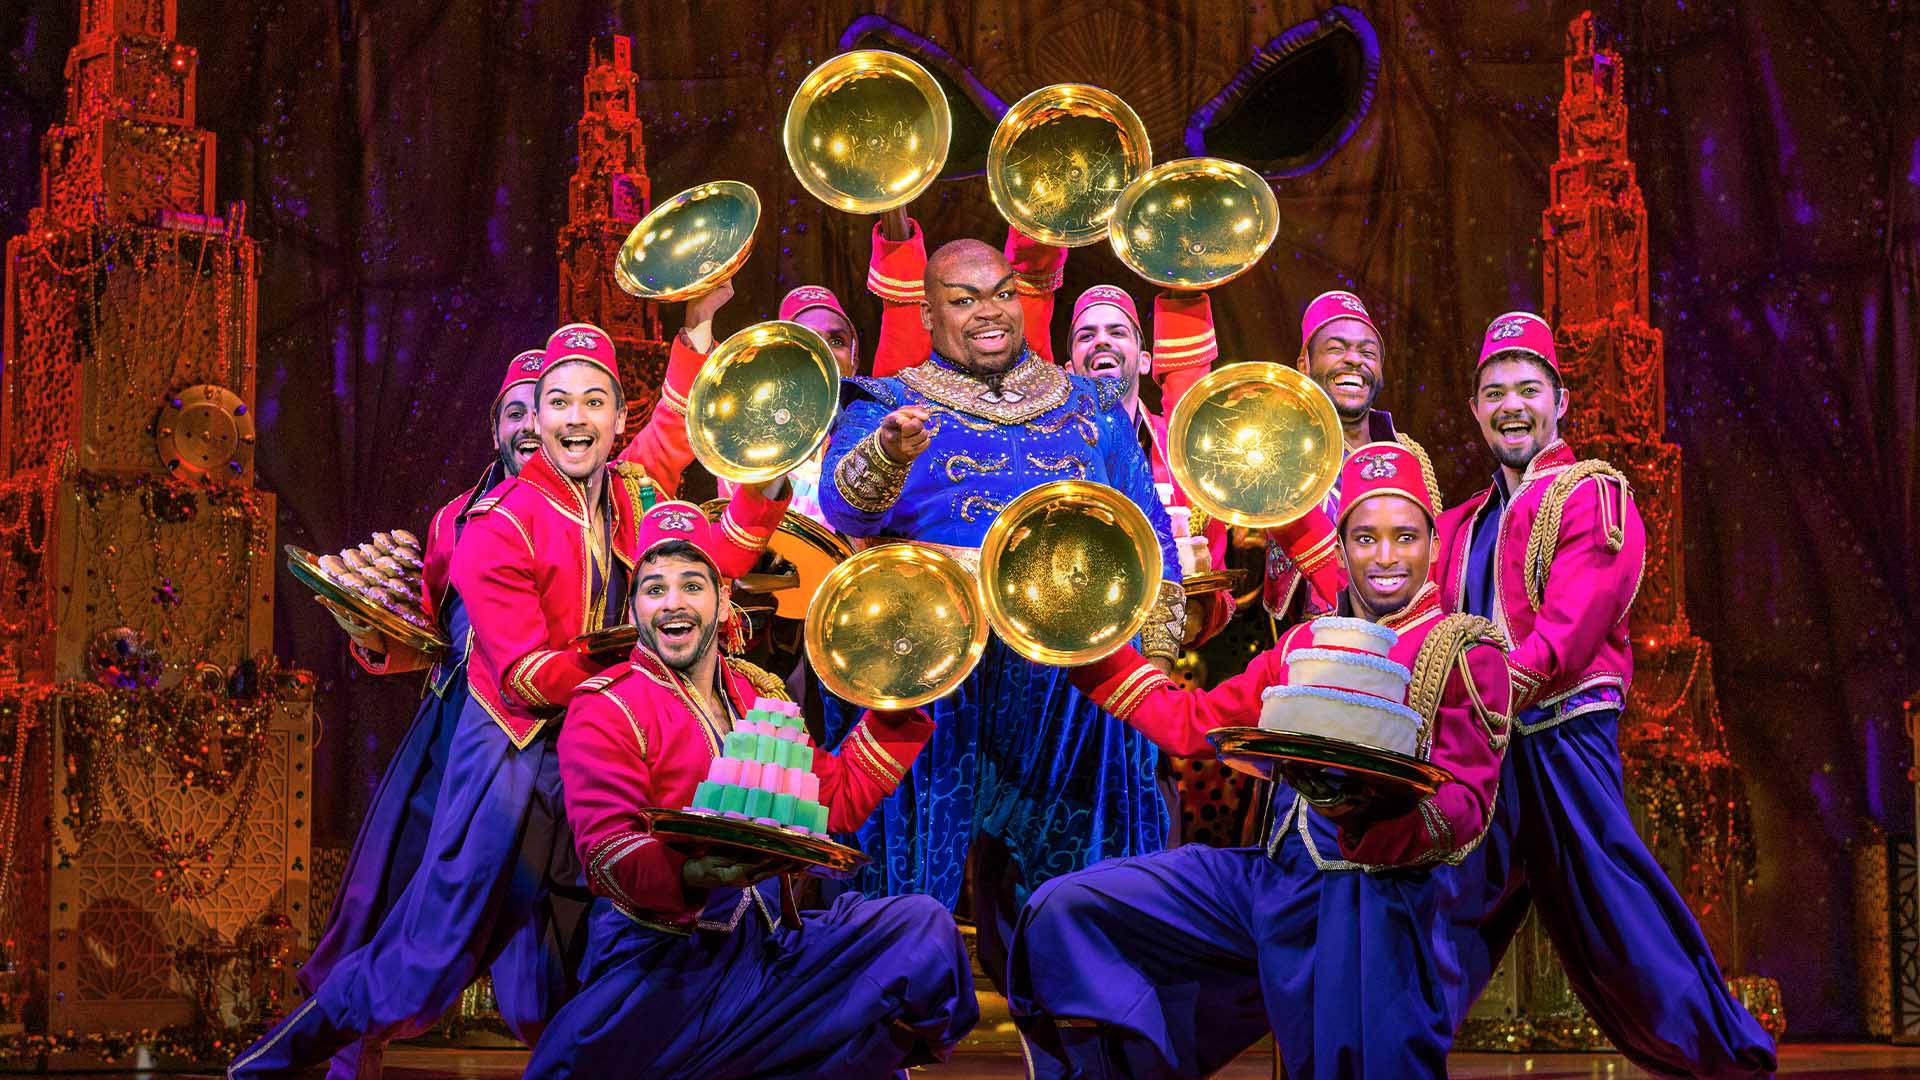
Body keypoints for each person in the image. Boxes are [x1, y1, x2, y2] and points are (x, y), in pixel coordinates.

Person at [231, 312, 783, 1079]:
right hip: (503, 747)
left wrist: (765, 485)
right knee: (433, 944)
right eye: (551, 404)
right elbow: (521, 672)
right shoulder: (491, 521)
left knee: (565, 949)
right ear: (513, 420)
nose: (566, 419)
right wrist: (638, 656)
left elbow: (705, 550)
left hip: (589, 749)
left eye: (593, 402)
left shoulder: (624, 503)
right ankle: (286, 1056)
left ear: (617, 417)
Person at [1008, 441, 1511, 1078]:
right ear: (1343, 548)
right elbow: (1193, 725)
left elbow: (1466, 807)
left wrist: (1368, 824)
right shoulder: (1302, 643)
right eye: (1365, 538)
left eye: (1405, 537)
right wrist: (1080, 649)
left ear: (1434, 546)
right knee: (1072, 908)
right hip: (1273, 883)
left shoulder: (1462, 651)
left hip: (1377, 904)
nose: (1386, 557)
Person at [816, 237, 1185, 990]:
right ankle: (887, 1032)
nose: (989, 312)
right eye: (964, 298)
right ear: (928, 312)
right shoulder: (888, 403)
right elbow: (840, 502)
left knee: (1084, 895)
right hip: (936, 674)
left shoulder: (1088, 405)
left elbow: (1149, 533)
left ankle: (1087, 1044)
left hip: (1070, 680)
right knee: (902, 891)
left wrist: (1156, 660)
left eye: (1003, 293)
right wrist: (889, 451)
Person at [520, 501, 977, 1079]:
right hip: (667, 959)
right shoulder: (607, 704)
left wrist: (902, 693)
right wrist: (692, 875)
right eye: (654, 588)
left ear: (721, 602)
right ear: (635, 608)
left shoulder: (754, 693)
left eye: (693, 584)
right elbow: (606, 851)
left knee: (921, 926)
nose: (674, 603)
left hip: (772, 947)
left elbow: (833, 803)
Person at [1435, 312, 1776, 1077]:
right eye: (1494, 392)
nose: (1511, 405)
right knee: (1445, 904)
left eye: (1528, 388)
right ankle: (1390, 1050)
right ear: (1475, 409)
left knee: (1613, 910)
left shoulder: (1594, 495)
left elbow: (1579, 614)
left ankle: (1724, 1057)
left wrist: (1504, 685)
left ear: (1560, 402)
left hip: (1560, 732)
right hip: (1483, 747)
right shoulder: (1460, 523)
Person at [300, 347, 543, 1016]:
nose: (528, 426)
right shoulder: (452, 520)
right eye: (513, 412)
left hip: (546, 736)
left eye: (540, 409)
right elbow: (436, 638)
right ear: (495, 426)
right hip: (453, 725)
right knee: (385, 894)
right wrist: (371, 634)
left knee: (535, 922)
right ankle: (346, 1043)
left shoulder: (598, 512)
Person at [1061, 283, 1231, 645]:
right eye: (1086, 335)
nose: (1101, 341)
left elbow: (1213, 571)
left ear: (1144, 360)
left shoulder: (1179, 452)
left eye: (1117, 332)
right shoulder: (1047, 447)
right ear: (1069, 367)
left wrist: (1197, 613)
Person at [1263, 290, 1443, 623]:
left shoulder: (1409, 453)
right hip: (1316, 649)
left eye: (1368, 352)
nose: (1354, 360)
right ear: (1304, 364)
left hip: (1411, 637)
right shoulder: (1278, 452)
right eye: (1336, 348)